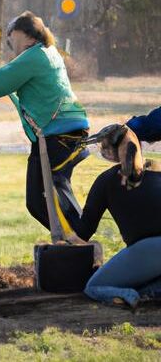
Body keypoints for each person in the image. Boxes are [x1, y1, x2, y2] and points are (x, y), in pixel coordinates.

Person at [0, 11, 89, 231]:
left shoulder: (35, 56)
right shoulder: (47, 52)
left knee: (44, 199)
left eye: (13, 36)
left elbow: (3, 79)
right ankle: (75, 243)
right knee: (44, 199)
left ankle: (77, 244)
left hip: (58, 136)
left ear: (26, 34)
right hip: (63, 134)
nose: (11, 40)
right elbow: (8, 77)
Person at [70, 126, 161, 308]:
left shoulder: (106, 180)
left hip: (150, 250)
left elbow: (84, 232)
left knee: (94, 287)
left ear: (109, 153)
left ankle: (133, 296)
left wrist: (64, 230)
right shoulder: (157, 171)